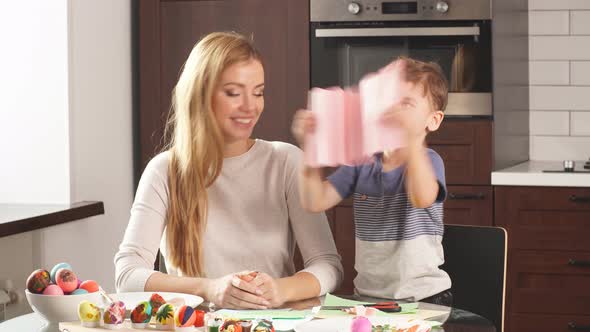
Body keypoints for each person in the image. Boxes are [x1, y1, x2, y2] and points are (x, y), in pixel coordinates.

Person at [115, 31, 343, 309]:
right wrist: (209, 288)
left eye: (258, 92)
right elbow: (127, 275)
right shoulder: (164, 171)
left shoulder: (285, 161)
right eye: (233, 93)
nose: (250, 106)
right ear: (200, 94)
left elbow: (328, 265)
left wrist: (281, 289)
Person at [291, 57, 453, 306]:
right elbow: (315, 201)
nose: (393, 111)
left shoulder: (429, 160)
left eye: (406, 104)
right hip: (368, 298)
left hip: (425, 298)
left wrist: (410, 140)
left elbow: (421, 197)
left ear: (433, 120)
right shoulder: (362, 162)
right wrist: (310, 147)